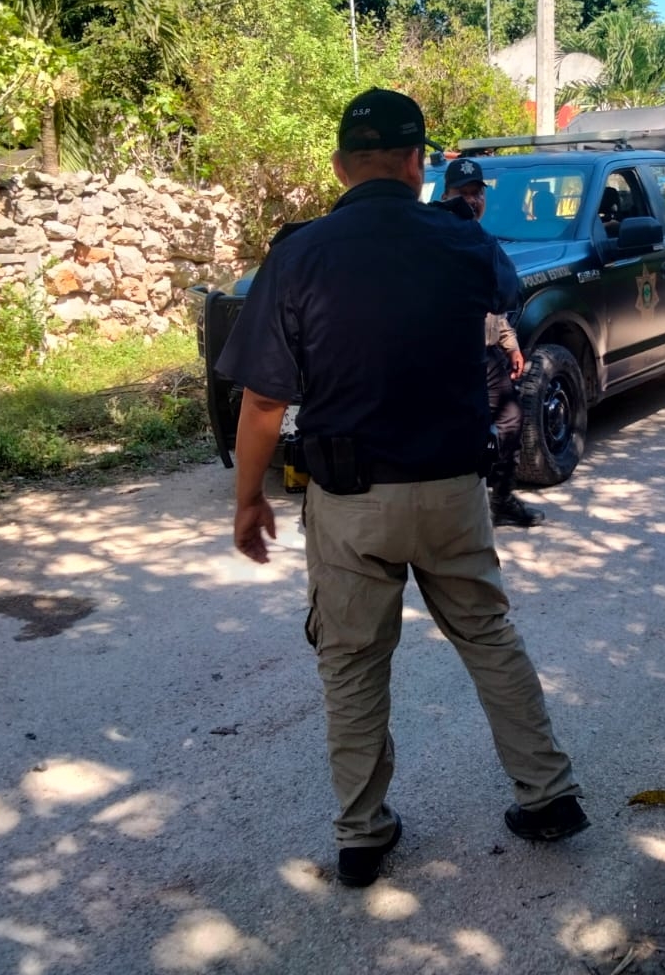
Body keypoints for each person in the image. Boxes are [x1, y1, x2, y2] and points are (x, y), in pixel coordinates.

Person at [218, 88, 585, 889]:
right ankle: (549, 796)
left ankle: (361, 835)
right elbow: (502, 305)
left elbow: (263, 401)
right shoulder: (462, 240)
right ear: (421, 164)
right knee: (488, 637)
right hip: (452, 490)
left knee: (351, 664)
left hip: (349, 501)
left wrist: (249, 499)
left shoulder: (300, 253)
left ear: (339, 165)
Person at [442, 158, 545, 527]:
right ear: (445, 195)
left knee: (510, 420)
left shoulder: (481, 239)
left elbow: (497, 303)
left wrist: (510, 344)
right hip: (445, 359)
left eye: (477, 193)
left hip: (485, 356)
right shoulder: (438, 237)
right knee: (452, 432)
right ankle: (455, 511)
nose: (472, 200)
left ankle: (500, 499)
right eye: (463, 193)